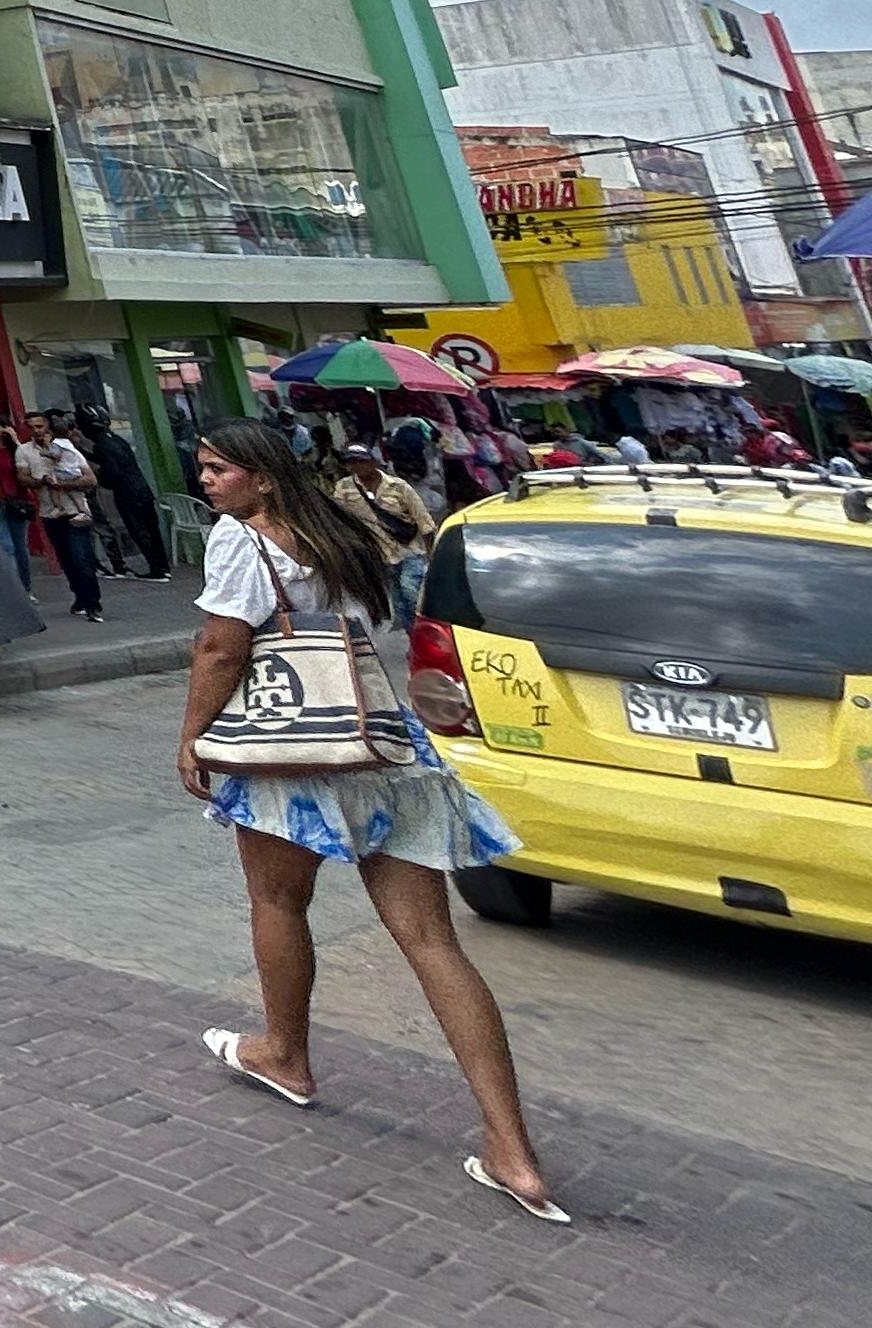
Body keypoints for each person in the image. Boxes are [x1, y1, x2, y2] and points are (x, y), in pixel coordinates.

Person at [177, 419, 562, 1224]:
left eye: (219, 469)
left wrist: (194, 739)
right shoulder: (341, 532)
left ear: (263, 478)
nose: (206, 480)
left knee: (278, 903)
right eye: (204, 468)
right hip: (382, 742)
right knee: (432, 942)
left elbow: (221, 648)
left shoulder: (239, 541)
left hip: (295, 753)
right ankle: (512, 1150)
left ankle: (285, 1052)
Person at [330, 443, 439, 623]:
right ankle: (413, 639)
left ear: (373, 462)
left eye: (360, 461)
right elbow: (340, 518)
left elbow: (424, 521)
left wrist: (432, 557)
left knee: (411, 593)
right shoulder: (344, 488)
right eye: (352, 462)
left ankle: (428, 630)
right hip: (378, 554)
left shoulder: (398, 487)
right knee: (399, 605)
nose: (357, 466)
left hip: (408, 550)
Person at [20, 411, 104, 620]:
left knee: (82, 558)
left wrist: (63, 484)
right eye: (31, 427)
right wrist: (41, 482)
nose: (36, 431)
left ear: (47, 428)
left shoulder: (66, 447)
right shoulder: (24, 451)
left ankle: (93, 603)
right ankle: (80, 596)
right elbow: (23, 478)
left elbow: (90, 479)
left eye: (39, 426)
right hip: (50, 512)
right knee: (66, 560)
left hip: (75, 512)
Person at [76, 405, 170, 579]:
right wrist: (83, 453)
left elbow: (113, 473)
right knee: (151, 529)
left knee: (140, 531)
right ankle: (162, 566)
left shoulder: (102, 445)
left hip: (128, 493)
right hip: (142, 489)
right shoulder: (117, 440)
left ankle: (157, 568)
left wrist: (100, 477)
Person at [0, 419, 36, 588]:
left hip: (17, 501)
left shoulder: (14, 451)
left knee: (21, 546)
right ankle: (16, 589)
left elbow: (29, 467)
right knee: (6, 545)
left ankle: (26, 586)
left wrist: (15, 441)